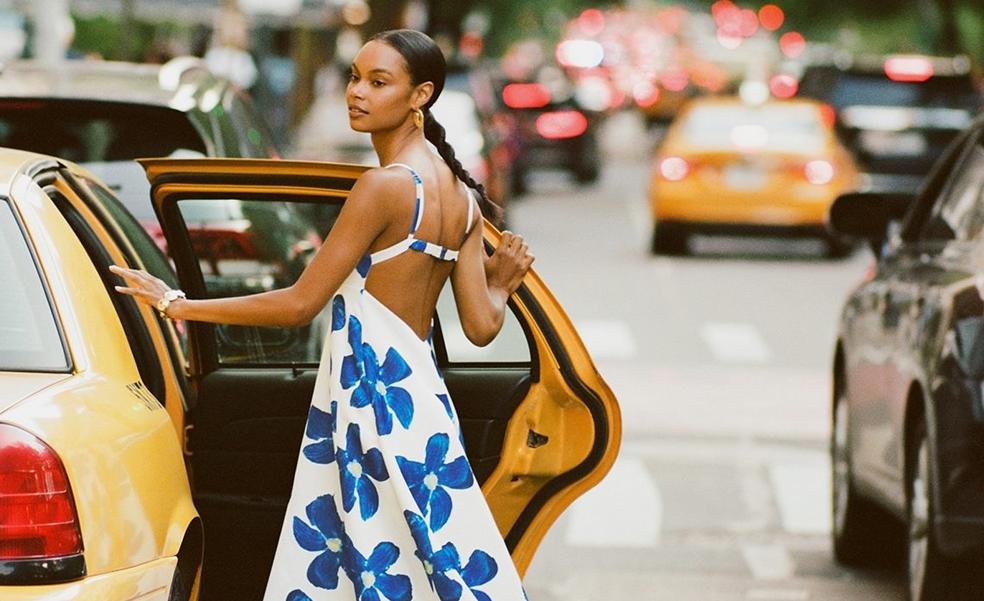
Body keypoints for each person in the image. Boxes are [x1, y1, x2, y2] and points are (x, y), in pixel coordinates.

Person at [111, 28, 534, 601]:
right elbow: (483, 328)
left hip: (370, 401)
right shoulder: (458, 196)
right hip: (422, 410)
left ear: (421, 96)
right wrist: (501, 286)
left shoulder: (383, 187)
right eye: (355, 77)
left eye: (378, 82)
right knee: (417, 563)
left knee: (363, 566)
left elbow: (298, 304)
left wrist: (176, 303)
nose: (357, 93)